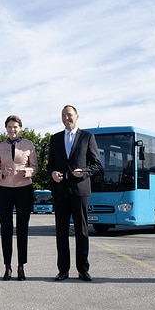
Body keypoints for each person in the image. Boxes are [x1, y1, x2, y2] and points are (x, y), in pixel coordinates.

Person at [47, 105, 102, 282]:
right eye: (63, 115)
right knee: (61, 232)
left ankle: (83, 269)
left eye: (69, 115)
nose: (66, 118)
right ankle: (63, 270)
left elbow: (97, 164)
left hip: (80, 190)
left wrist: (84, 172)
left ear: (77, 116)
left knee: (82, 231)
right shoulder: (55, 139)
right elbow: (50, 165)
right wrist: (53, 173)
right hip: (61, 190)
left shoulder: (87, 137)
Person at [0, 115, 38, 281]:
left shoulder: (28, 145)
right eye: (9, 127)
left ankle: (21, 266)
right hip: (4, 190)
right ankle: (7, 266)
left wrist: (28, 172)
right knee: (6, 228)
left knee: (22, 227)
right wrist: (1, 173)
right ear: (6, 129)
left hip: (24, 189)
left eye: (15, 127)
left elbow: (35, 167)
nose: (12, 130)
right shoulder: (0, 146)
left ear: (20, 128)